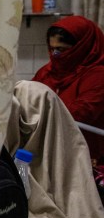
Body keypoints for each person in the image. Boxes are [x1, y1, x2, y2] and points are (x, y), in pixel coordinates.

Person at [32, 15, 104, 169]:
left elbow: (78, 115)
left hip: (86, 161)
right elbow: (28, 99)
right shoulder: (47, 72)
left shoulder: (98, 76)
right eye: (51, 49)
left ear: (81, 47)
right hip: (49, 155)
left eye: (61, 50)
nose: (55, 55)